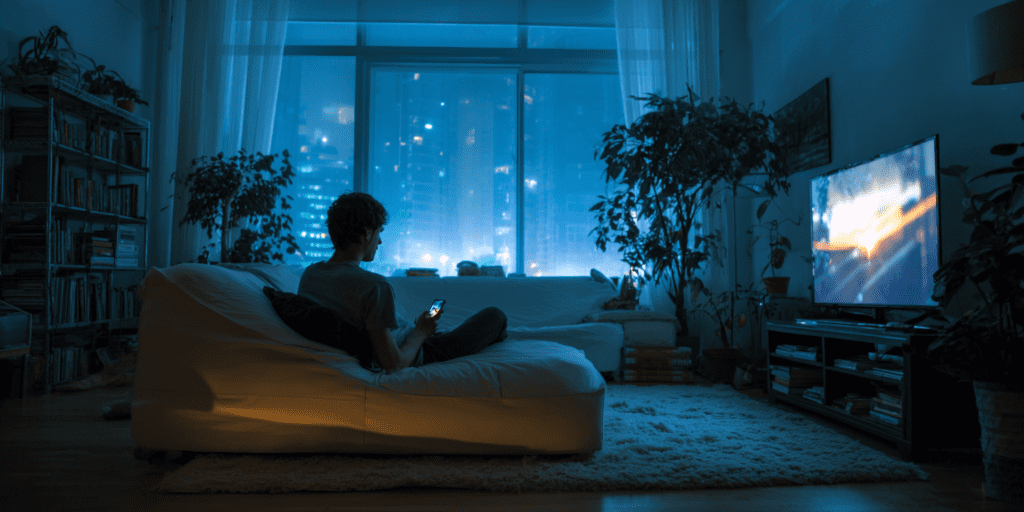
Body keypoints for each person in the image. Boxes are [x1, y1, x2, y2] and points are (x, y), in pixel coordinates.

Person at [298, 192, 508, 372]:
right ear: (367, 233)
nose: (379, 242)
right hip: (419, 349)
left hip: (408, 337)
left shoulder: (311, 275)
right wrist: (420, 333)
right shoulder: (375, 286)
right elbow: (394, 364)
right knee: (495, 316)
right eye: (379, 233)